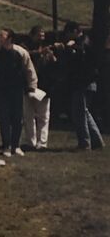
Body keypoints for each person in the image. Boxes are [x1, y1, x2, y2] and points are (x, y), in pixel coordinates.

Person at [0, 28, 38, 157]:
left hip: (17, 89)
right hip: (2, 90)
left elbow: (29, 70)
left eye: (2, 35)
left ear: (9, 38)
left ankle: (16, 146)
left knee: (18, 118)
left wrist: (32, 86)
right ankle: (6, 146)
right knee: (4, 118)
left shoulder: (21, 52)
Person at [56, 22, 104, 150]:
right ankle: (97, 140)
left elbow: (78, 59)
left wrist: (69, 48)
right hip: (89, 82)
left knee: (79, 115)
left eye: (69, 33)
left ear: (75, 31)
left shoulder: (81, 43)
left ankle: (85, 143)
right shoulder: (88, 41)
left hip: (82, 83)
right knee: (85, 112)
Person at [23, 25, 56, 150]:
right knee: (28, 116)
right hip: (29, 86)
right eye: (39, 35)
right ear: (32, 35)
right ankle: (30, 141)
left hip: (44, 86)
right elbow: (25, 56)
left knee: (43, 116)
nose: (41, 38)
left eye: (43, 36)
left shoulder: (47, 48)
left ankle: (42, 143)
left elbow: (52, 66)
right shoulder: (25, 47)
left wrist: (51, 57)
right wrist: (39, 53)